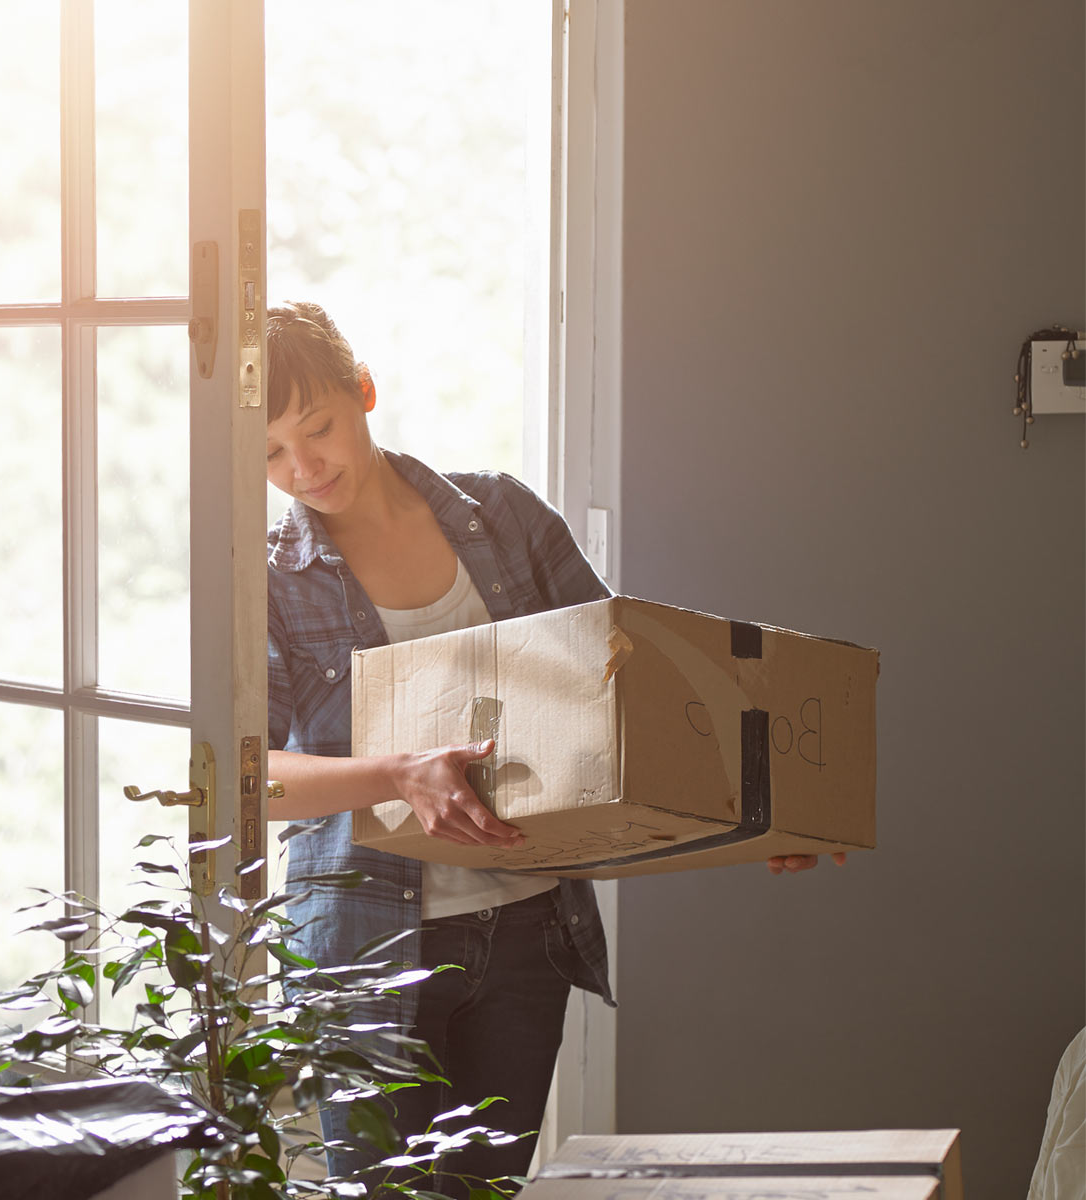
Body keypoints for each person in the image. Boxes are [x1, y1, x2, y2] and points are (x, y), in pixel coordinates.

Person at [261, 300, 839, 1192]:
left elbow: (634, 693)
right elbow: (252, 779)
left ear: (365, 392)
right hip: (364, 951)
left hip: (529, 933)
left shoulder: (503, 517)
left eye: (319, 428)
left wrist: (764, 819)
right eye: (269, 454)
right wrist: (395, 774)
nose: (303, 467)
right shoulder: (268, 577)